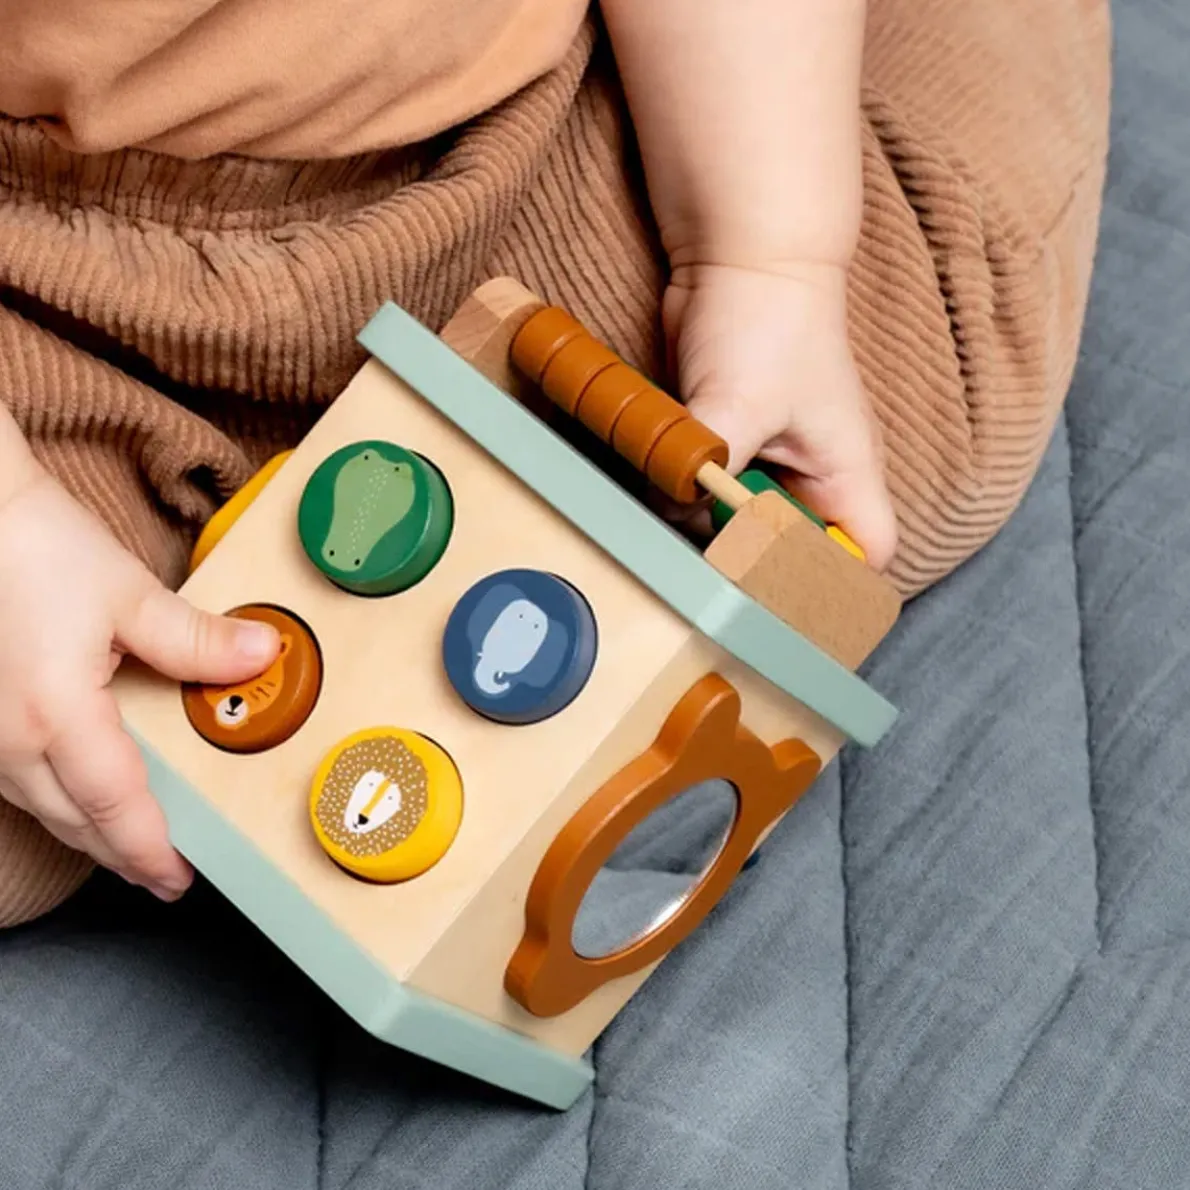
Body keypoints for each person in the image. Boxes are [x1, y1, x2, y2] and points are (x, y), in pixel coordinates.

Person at [0, 0, 1111, 924]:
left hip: (524, 138)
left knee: (913, 429)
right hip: (33, 277)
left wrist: (762, 253)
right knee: (55, 793)